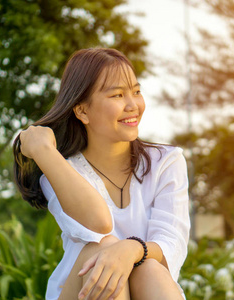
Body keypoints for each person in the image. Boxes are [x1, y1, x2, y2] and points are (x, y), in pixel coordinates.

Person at [13, 48, 190, 300]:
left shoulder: (166, 162)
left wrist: (131, 250)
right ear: (82, 111)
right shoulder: (60, 170)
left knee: (147, 265)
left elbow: (171, 244)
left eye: (136, 92)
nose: (133, 105)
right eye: (118, 95)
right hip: (80, 291)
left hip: (150, 286)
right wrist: (44, 150)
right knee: (102, 249)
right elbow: (99, 223)